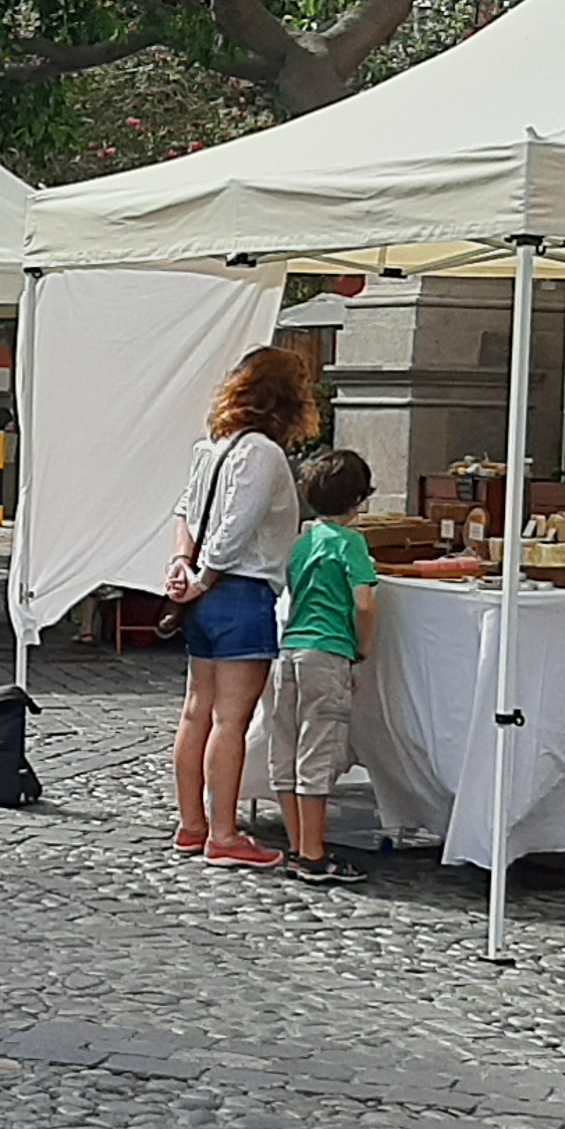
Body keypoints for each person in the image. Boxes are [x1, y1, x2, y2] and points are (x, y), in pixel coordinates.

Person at [159, 343, 321, 867]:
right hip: (241, 591)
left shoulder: (212, 446)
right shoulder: (264, 454)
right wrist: (202, 576)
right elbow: (236, 529)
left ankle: (192, 824)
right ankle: (224, 835)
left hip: (205, 598)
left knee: (196, 711)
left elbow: (187, 512)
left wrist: (181, 567)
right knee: (231, 719)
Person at [271, 449, 384, 885]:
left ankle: (299, 844)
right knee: (319, 749)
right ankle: (315, 855)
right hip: (328, 650)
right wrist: (362, 646)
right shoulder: (350, 542)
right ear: (358, 500)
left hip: (290, 650)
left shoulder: (301, 542)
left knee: (287, 747)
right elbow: (364, 602)